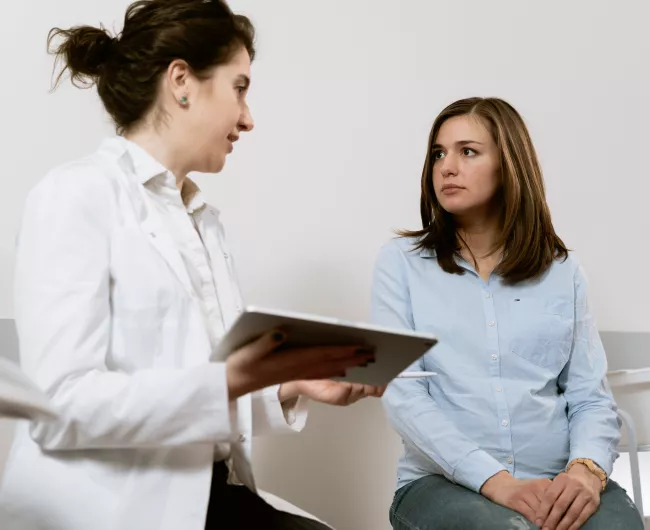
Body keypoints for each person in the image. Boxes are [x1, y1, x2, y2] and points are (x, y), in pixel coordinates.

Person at [0, 1, 384, 529]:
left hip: (206, 496)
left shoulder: (201, 219)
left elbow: (193, 402)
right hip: (107, 509)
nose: (248, 118)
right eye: (240, 88)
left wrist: (290, 385)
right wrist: (228, 379)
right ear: (181, 80)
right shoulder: (74, 195)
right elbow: (60, 407)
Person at [371, 97, 644, 530]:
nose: (446, 166)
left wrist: (586, 472)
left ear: (509, 165)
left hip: (560, 477)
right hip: (443, 484)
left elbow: (590, 397)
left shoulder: (563, 272)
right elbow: (403, 396)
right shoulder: (401, 264)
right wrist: (497, 482)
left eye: (468, 151)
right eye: (438, 153)